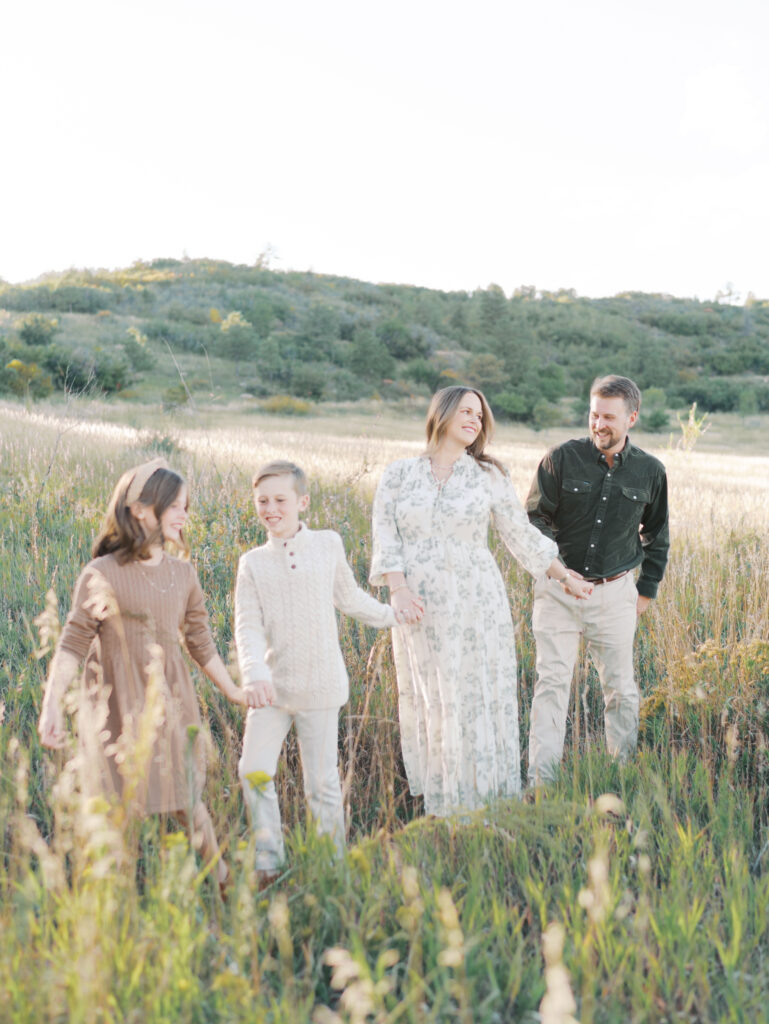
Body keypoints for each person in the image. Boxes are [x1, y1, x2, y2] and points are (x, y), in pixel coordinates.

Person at [369, 385, 592, 818]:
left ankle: (484, 799)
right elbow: (385, 536)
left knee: (475, 693)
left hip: (476, 601)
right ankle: (443, 799)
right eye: (466, 411)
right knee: (433, 694)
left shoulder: (488, 476)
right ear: (442, 413)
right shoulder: (398, 475)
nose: (475, 420)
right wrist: (398, 589)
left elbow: (519, 534)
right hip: (419, 603)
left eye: (480, 415)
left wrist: (563, 575)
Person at [37, 457, 257, 891]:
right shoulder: (101, 573)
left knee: (186, 801)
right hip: (114, 709)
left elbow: (200, 641)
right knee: (116, 808)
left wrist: (233, 689)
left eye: (185, 507)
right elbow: (73, 643)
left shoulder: (183, 574)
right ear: (140, 509)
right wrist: (51, 707)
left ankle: (223, 883)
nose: (184, 515)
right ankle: (112, 898)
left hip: (170, 704)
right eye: (175, 505)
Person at [234, 460, 397, 882]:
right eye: (262, 501)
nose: (271, 509)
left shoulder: (328, 544)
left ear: (302, 502)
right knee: (253, 770)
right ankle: (269, 860)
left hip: (322, 684)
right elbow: (247, 626)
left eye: (280, 500)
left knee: (321, 785)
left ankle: (330, 867)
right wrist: (254, 675)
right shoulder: (252, 563)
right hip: (271, 688)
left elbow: (350, 598)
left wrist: (393, 615)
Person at [525, 374, 670, 785]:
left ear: (632, 418)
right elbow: (535, 518)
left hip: (616, 594)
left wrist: (646, 591)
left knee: (621, 689)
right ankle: (542, 781)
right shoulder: (560, 459)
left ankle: (620, 774)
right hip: (557, 593)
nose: (599, 424)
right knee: (551, 684)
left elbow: (656, 534)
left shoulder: (650, 471)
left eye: (609, 417)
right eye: (593, 415)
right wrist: (559, 570)